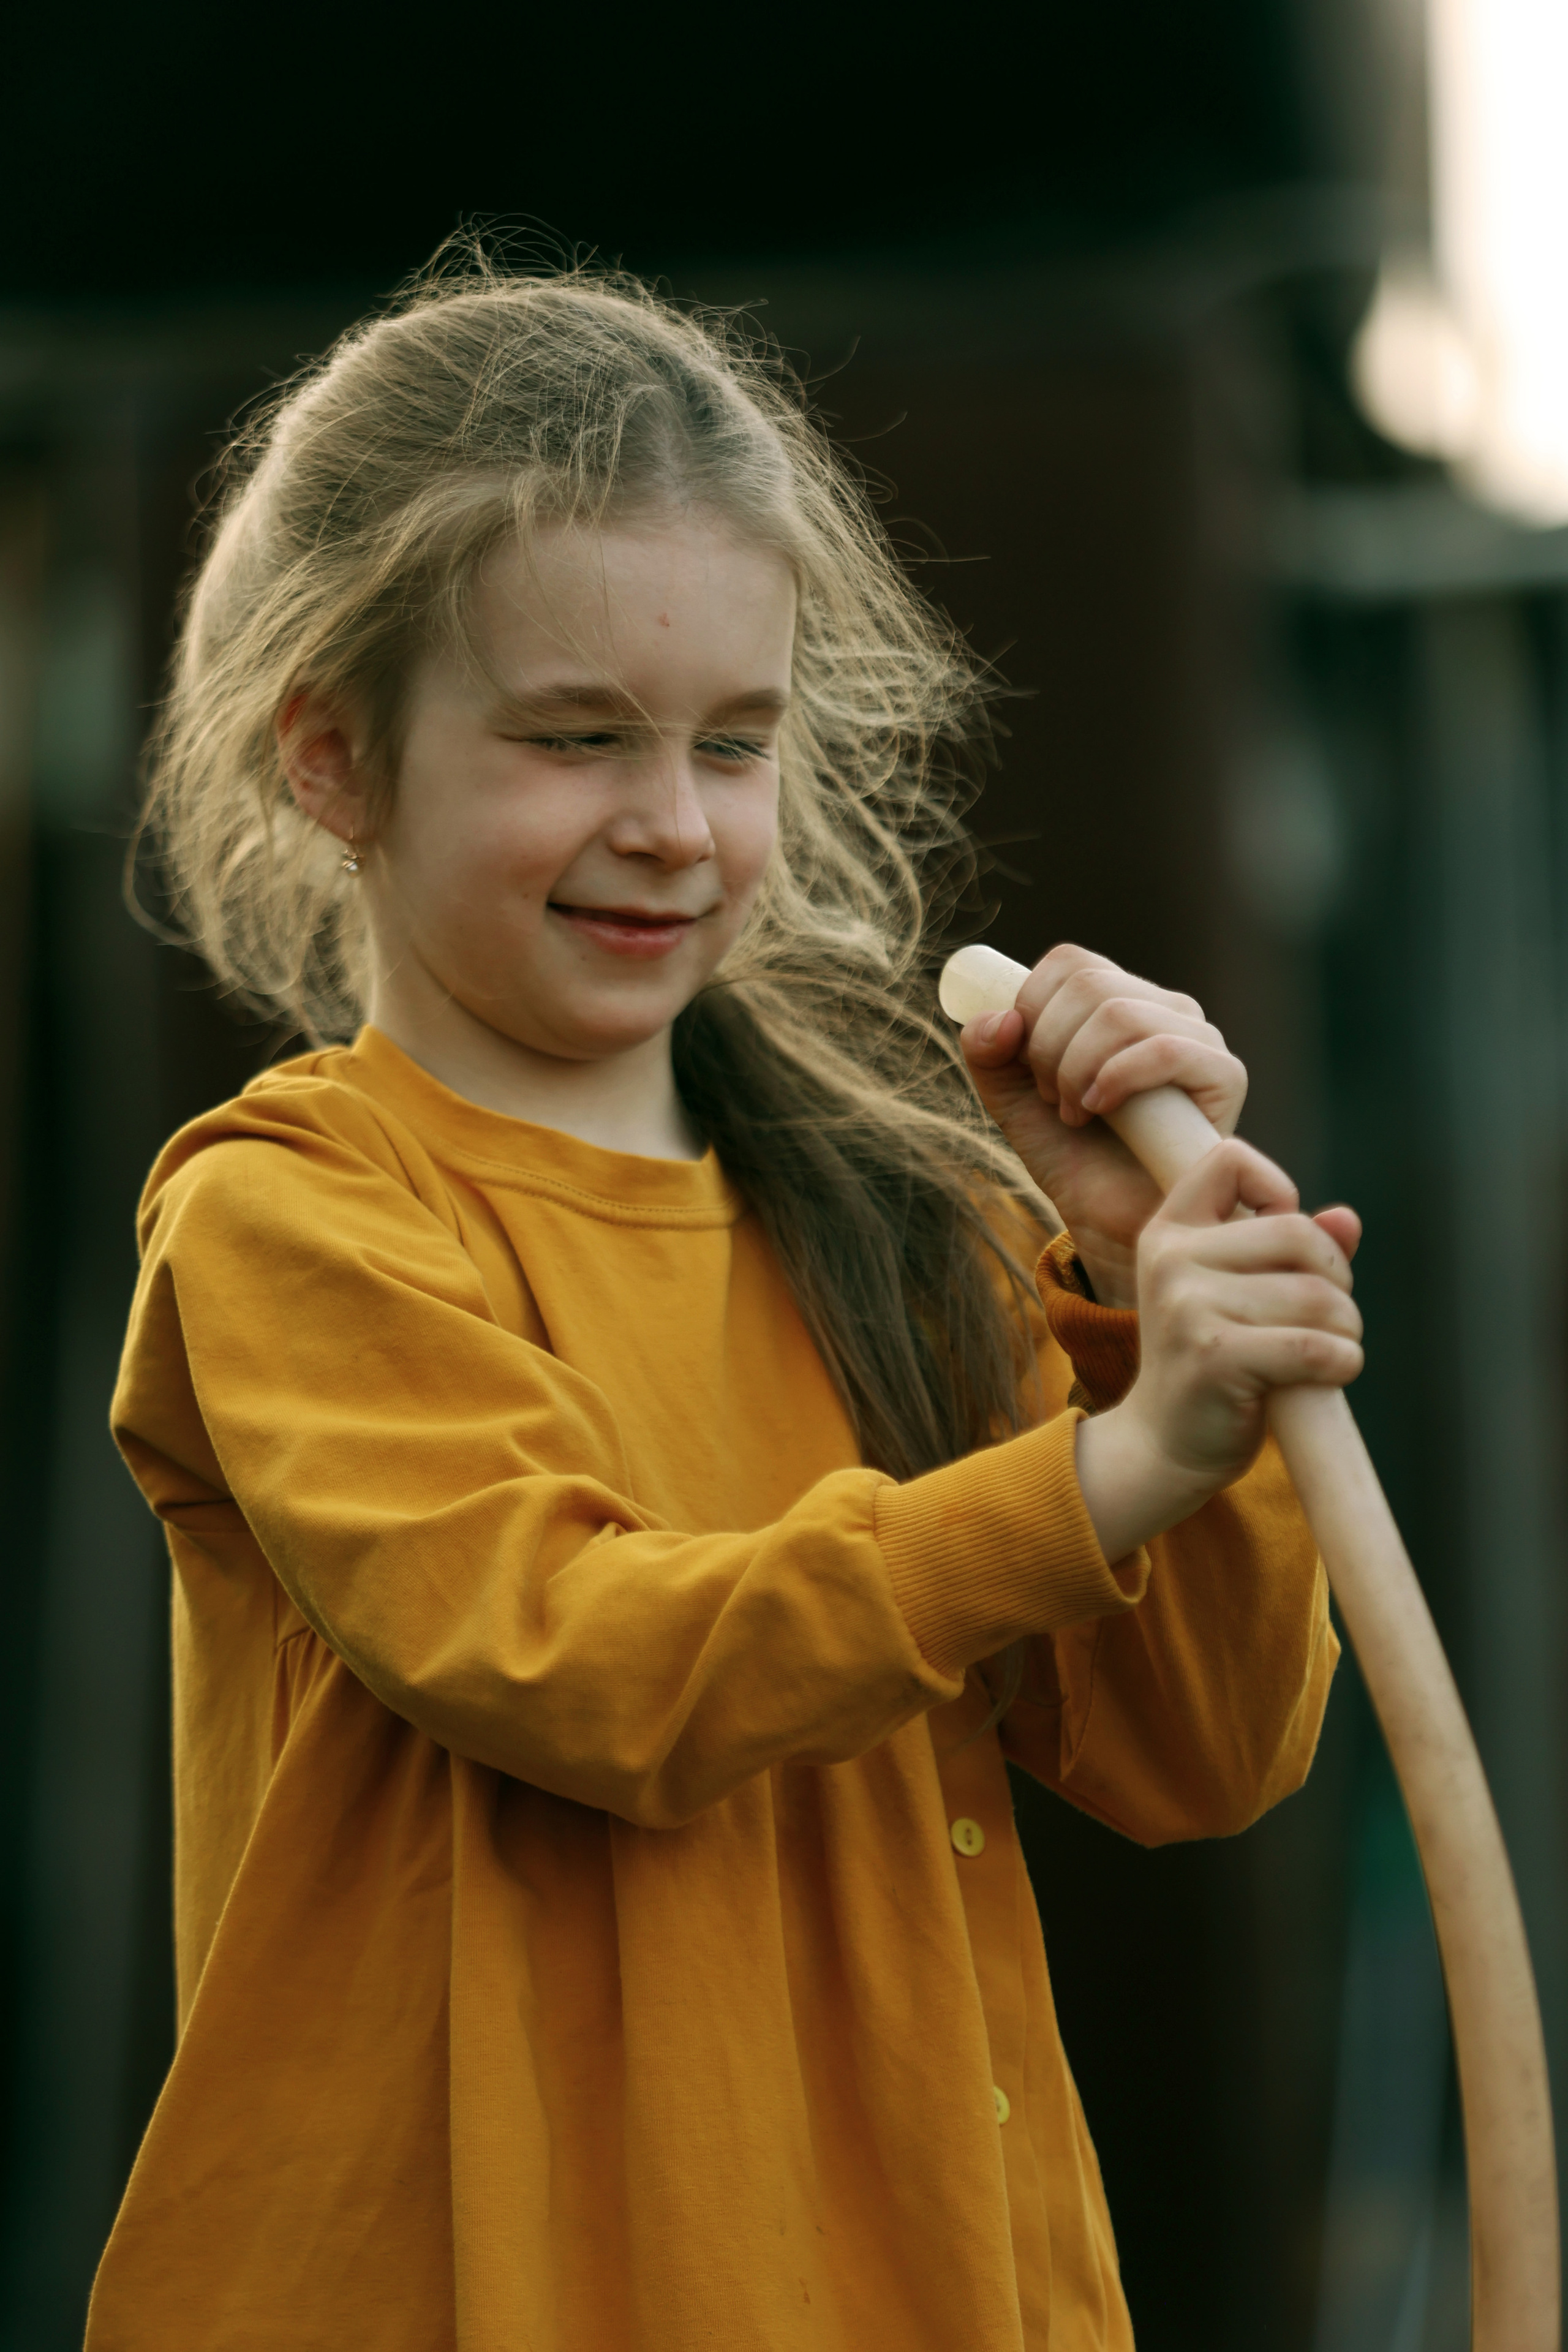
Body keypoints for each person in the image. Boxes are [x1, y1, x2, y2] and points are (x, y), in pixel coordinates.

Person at [91, 252, 1363, 2352]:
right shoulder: (293, 1210)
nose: (674, 827)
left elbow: (1207, 1758)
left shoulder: (894, 1218)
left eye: (736, 744)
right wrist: (1114, 1467)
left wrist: (1146, 1307)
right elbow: (591, 1666)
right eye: (575, 737)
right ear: (333, 757)